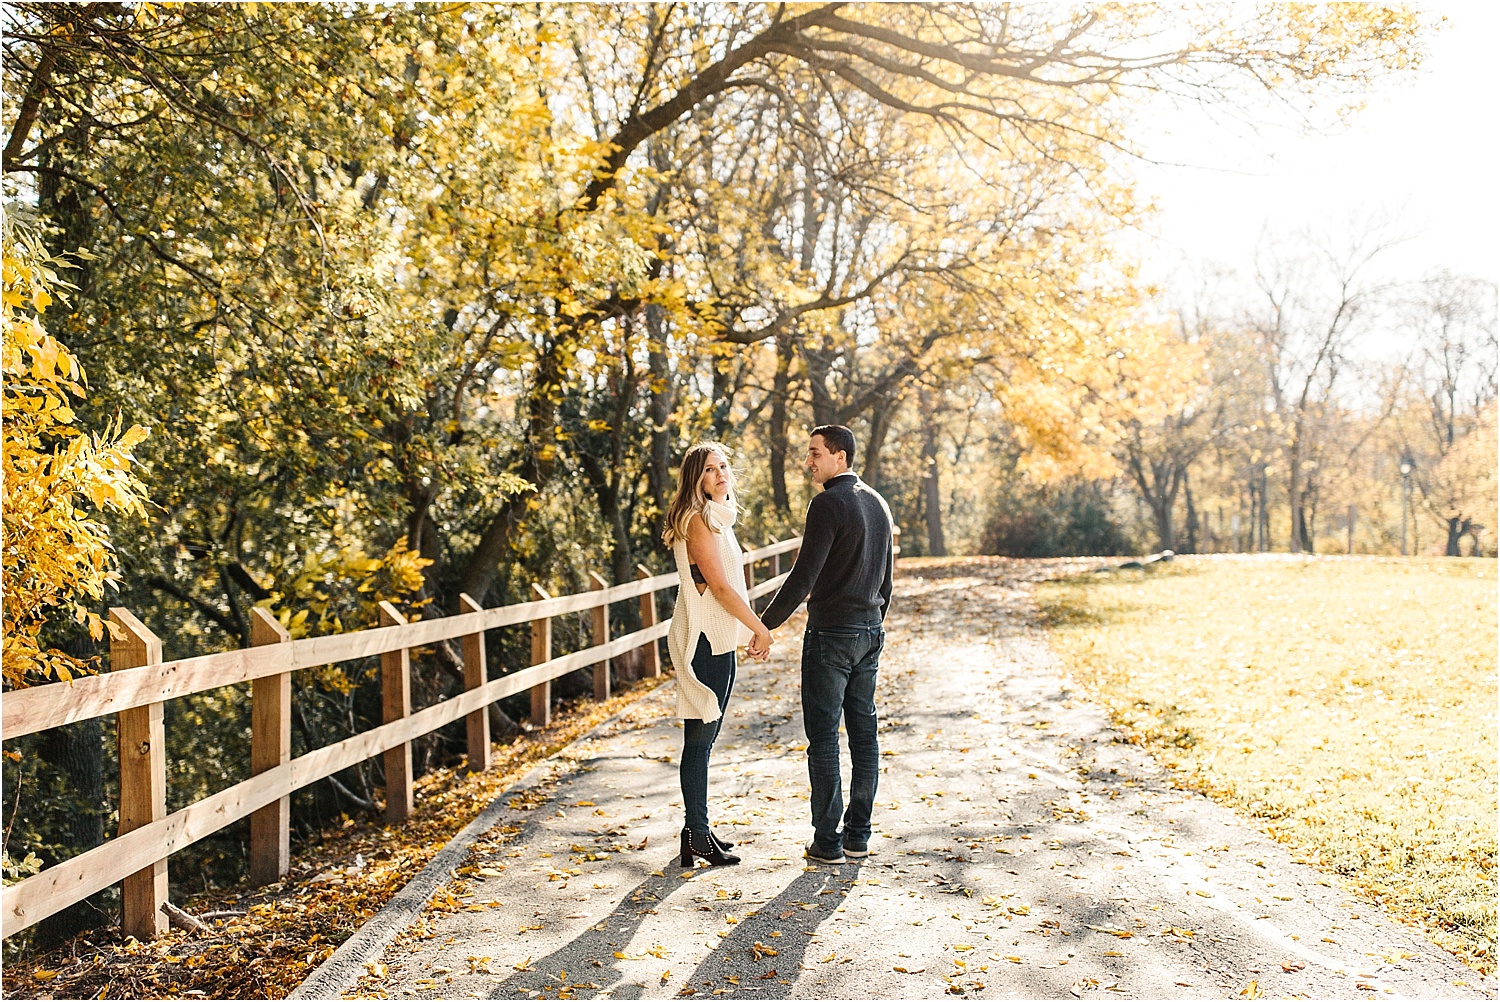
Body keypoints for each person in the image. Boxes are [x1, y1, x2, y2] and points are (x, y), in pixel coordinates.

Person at [760, 424, 894, 865]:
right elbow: (887, 583)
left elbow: (803, 577)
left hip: (832, 636)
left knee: (823, 739)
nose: (809, 461)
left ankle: (828, 841)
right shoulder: (878, 503)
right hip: (869, 632)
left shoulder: (827, 504)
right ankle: (858, 837)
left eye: (815, 453)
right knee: (863, 735)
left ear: (840, 456)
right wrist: (872, 625)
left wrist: (766, 625)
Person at [663, 442, 773, 868]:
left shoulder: (718, 519)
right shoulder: (696, 522)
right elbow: (721, 588)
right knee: (700, 740)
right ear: (696, 479)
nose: (720, 474)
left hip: (720, 639)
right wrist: (759, 627)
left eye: (724, 466)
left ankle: (698, 831)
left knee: (703, 741)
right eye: (710, 469)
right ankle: (697, 834)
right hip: (704, 640)